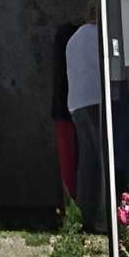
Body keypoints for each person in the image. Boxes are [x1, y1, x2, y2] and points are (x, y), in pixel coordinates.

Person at [64, 18, 129, 216]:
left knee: (88, 159)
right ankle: (107, 213)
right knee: (107, 157)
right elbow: (116, 67)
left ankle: (86, 212)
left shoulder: (75, 37)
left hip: (77, 103)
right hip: (97, 99)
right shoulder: (100, 35)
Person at [48, 21, 80, 204]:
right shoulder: (70, 39)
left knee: (67, 160)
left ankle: (70, 205)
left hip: (63, 109)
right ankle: (72, 204)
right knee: (74, 159)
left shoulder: (65, 40)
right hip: (69, 108)